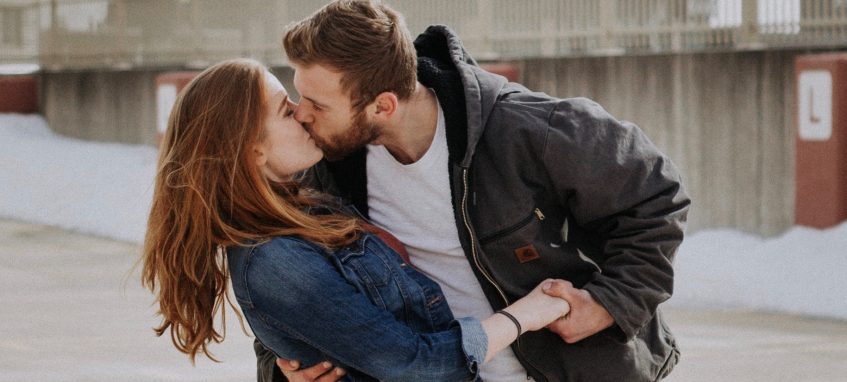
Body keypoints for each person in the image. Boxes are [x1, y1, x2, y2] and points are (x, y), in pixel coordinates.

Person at [263, 1, 691, 381]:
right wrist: (290, 370)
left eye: (317, 104)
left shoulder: (527, 130)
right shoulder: (330, 168)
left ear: (384, 106)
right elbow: (284, 287)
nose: (301, 115)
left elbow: (657, 198)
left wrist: (611, 303)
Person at [141, 58, 573, 382]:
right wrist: (528, 314)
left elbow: (324, 328)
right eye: (285, 111)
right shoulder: (271, 260)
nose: (303, 112)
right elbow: (415, 364)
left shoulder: (307, 203)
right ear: (252, 151)